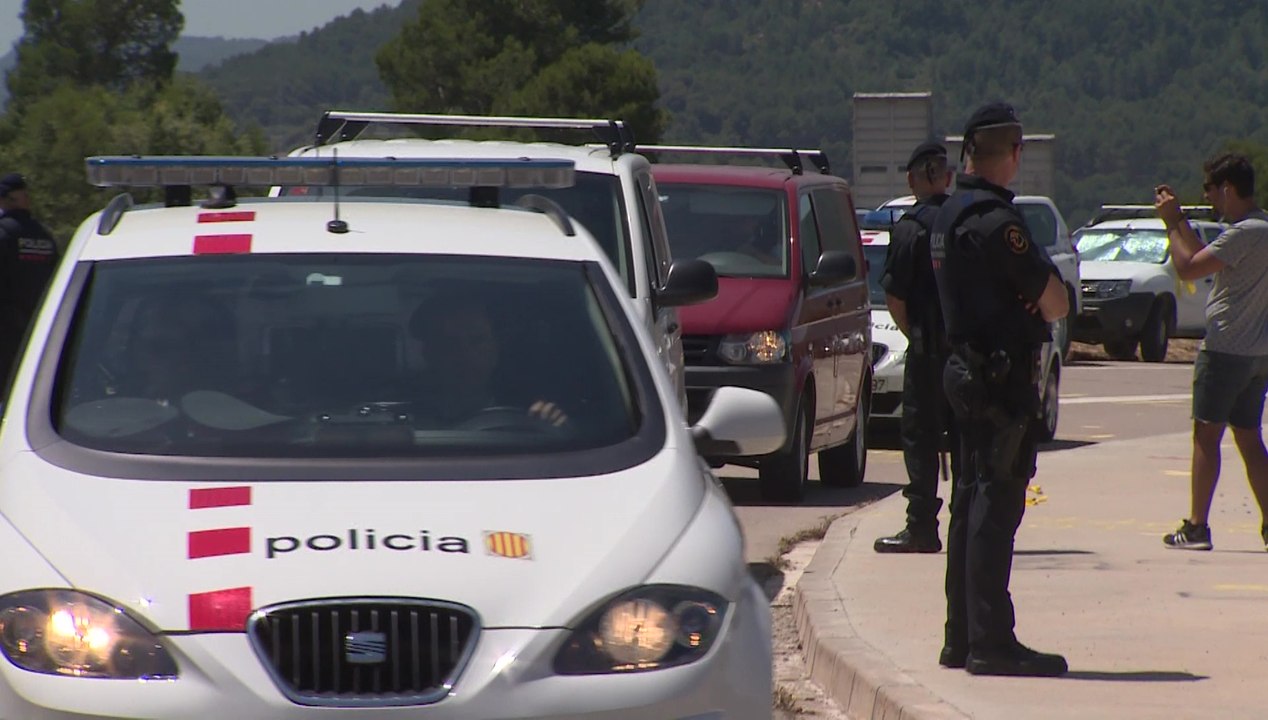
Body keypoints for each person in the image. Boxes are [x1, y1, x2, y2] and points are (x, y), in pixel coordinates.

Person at [931, 103, 1070, 677]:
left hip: (963, 373)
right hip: (1001, 380)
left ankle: (961, 636)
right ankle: (991, 640)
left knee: (968, 503)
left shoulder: (947, 216)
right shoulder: (998, 224)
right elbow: (1055, 301)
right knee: (996, 506)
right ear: (1013, 154)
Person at [1156, 154, 1268, 552]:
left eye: (1210, 189)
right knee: (1249, 437)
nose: (1208, 197)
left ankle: (1197, 526)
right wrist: (1181, 222)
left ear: (1227, 188)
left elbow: (1188, 267)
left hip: (1225, 348)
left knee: (1206, 434)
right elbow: (1205, 256)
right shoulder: (1260, 228)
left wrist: (1172, 221)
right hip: (1257, 352)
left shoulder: (1244, 233)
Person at [875, 141, 959, 553]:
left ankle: (922, 527)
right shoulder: (966, 222)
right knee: (966, 437)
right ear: (947, 177)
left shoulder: (910, 228)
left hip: (928, 354)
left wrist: (917, 337)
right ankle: (967, 521)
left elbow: (895, 297)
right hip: (966, 353)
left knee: (920, 438)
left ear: (912, 179)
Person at [408, 301, 569, 428]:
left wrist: (555, 426)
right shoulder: (403, 407)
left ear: (496, 346)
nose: (466, 354)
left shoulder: (528, 406)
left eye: (478, 340)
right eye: (450, 343)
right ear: (429, 352)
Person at [0, 172, 59, 382]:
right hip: (41, 330)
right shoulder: (45, 237)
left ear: (8, 200)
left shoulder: (3, 233)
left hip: (6, 331)